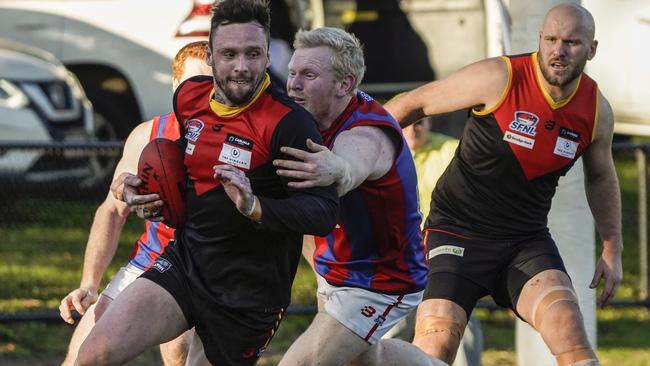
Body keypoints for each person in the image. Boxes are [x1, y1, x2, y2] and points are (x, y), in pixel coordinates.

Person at [74, 1, 339, 365]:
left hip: (248, 294)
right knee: (92, 354)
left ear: (267, 57)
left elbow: (322, 213)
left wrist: (255, 206)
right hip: (184, 266)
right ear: (211, 56)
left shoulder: (289, 124)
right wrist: (145, 191)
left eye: (253, 54)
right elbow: (185, 172)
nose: (242, 66)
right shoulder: (190, 98)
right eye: (229, 54)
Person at [383, 3, 622, 365]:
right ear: (539, 40)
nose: (559, 51)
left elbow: (602, 176)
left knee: (573, 338)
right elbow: (412, 103)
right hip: (457, 233)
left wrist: (612, 248)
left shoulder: (595, 111)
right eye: (552, 40)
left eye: (572, 42)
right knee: (435, 345)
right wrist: (355, 154)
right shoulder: (500, 76)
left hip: (525, 241)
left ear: (592, 49)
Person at [271, 27, 437, 366]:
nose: (293, 84)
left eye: (308, 75)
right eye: (292, 73)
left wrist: (335, 170)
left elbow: (349, 168)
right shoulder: (304, 120)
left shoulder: (367, 132)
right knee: (362, 361)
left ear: (344, 85)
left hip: (381, 283)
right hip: (337, 273)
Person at [58, 40, 211, 366]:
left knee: (180, 354)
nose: (201, 95)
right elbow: (112, 211)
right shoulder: (149, 135)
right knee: (80, 356)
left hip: (206, 266)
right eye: (193, 84)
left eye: (210, 86)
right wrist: (89, 283)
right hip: (151, 260)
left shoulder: (236, 141)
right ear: (175, 85)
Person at [393, 118, 484, 366]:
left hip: (446, 252)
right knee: (393, 328)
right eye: (407, 123)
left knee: (460, 325)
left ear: (430, 123)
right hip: (397, 257)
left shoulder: (451, 151)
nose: (413, 129)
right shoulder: (383, 151)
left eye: (419, 122)